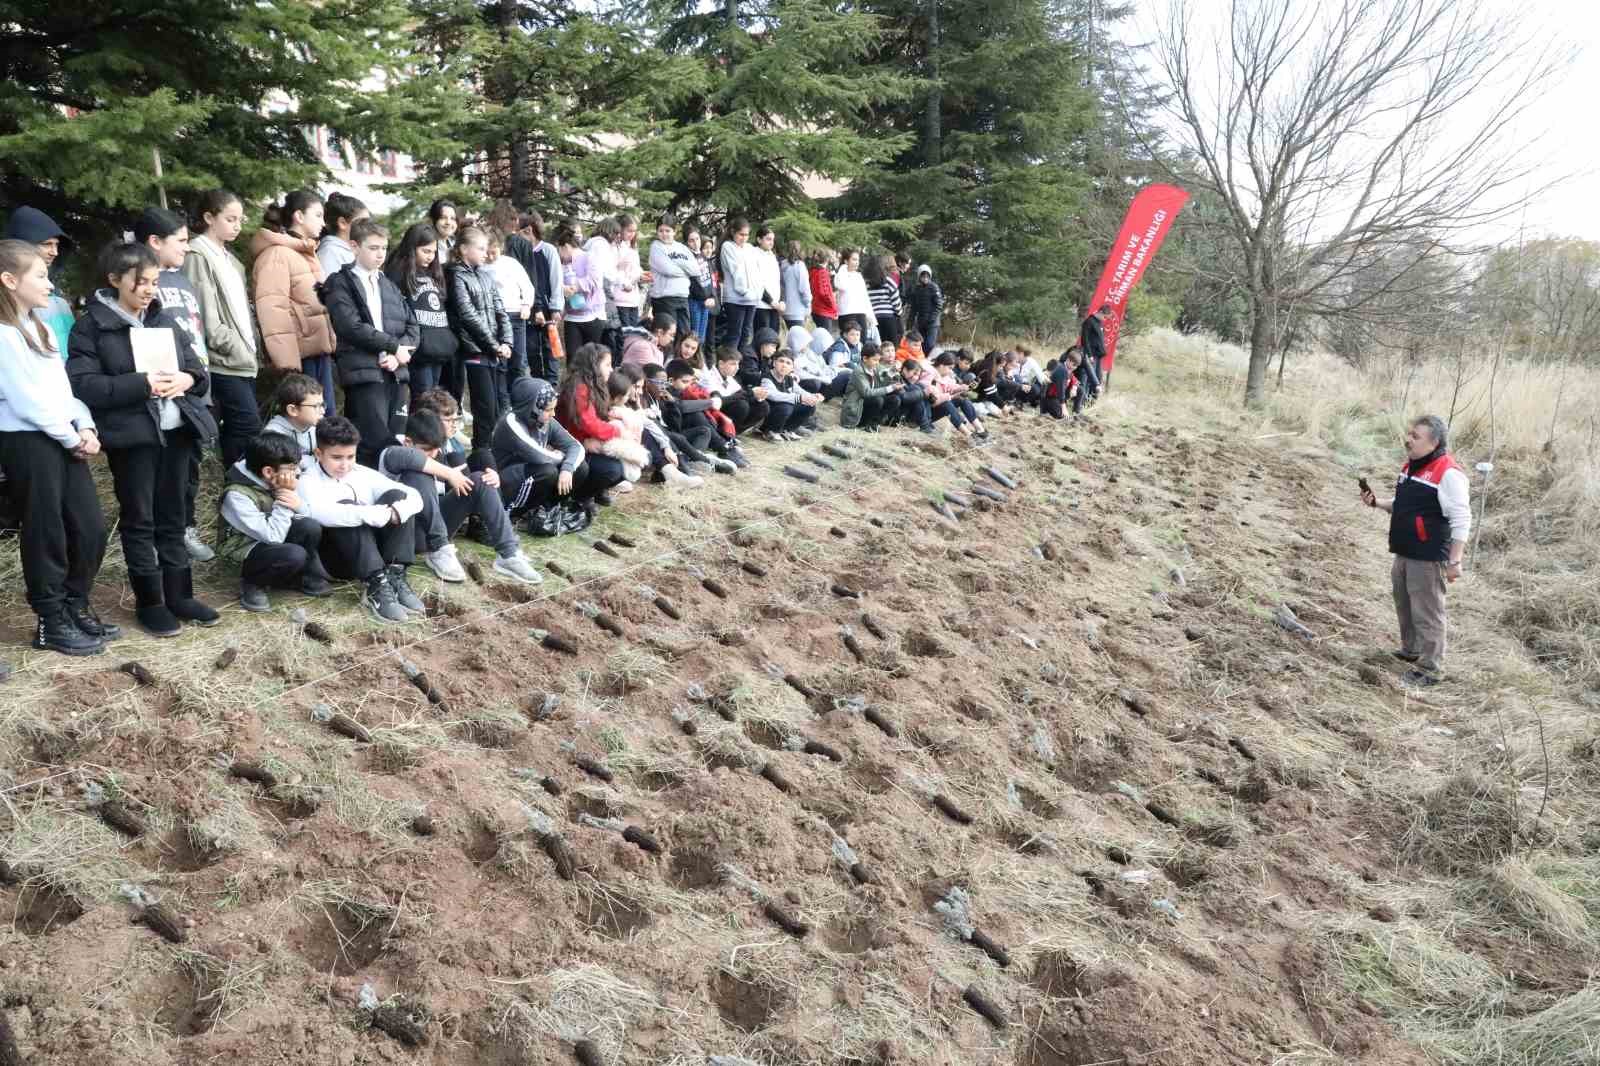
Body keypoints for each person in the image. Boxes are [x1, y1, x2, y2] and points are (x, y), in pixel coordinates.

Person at [69, 241, 220, 637]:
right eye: (141, 282)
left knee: (175, 517)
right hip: (133, 438)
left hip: (177, 431)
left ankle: (180, 595)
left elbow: (196, 367)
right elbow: (84, 384)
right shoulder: (92, 326)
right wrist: (142, 384)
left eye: (154, 281)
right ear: (115, 279)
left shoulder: (163, 318)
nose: (149, 290)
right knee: (141, 519)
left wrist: (188, 379)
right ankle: (150, 602)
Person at [0, 238, 113, 655]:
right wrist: (70, 437)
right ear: (10, 280)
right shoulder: (3, 335)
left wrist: (84, 425)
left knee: (90, 527)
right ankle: (50, 620)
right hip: (29, 441)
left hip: (63, 435)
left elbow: (61, 390)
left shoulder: (41, 327)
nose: (50, 283)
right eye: (41, 276)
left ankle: (74, 604)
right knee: (45, 529)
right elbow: (27, 401)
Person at [1360, 415, 1472, 687]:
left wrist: (1454, 560)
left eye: (1416, 436)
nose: (1408, 439)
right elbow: (1404, 503)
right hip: (1404, 550)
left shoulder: (1448, 473)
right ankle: (1410, 650)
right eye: (1409, 433)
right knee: (1404, 603)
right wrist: (1378, 503)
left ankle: (1431, 668)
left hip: (1429, 555)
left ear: (1434, 443)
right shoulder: (1412, 465)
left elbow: (1462, 519)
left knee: (1428, 612)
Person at [134, 206, 218, 564]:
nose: (187, 248)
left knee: (190, 466)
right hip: (161, 394)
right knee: (161, 472)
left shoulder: (182, 280)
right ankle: (157, 534)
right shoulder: (144, 285)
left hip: (195, 387)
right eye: (180, 241)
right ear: (155, 241)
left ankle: (186, 527)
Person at [378, 407, 541, 584]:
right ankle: (439, 549)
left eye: (436, 449)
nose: (433, 454)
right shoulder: (391, 452)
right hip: (404, 533)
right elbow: (411, 459)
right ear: (408, 442)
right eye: (427, 450)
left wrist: (490, 477)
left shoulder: (438, 454)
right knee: (418, 474)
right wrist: (449, 473)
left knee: (479, 479)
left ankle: (509, 554)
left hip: (433, 526)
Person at [296, 415, 424, 623]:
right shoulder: (308, 480)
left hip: (369, 549)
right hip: (337, 558)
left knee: (397, 497)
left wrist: (396, 511)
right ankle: (376, 586)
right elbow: (321, 513)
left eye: (350, 456)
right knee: (346, 508)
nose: (345, 465)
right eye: (337, 457)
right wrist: (374, 513)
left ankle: (394, 574)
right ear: (319, 453)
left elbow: (415, 497)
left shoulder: (360, 472)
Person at [324, 218, 418, 468]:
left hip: (396, 373)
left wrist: (398, 354)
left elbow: (412, 326)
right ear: (354, 247)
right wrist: (392, 346)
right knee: (371, 442)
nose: (380, 254)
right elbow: (349, 326)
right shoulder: (339, 282)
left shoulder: (388, 284)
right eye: (373, 248)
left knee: (396, 439)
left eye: (384, 248)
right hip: (363, 374)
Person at [184, 190, 262, 471]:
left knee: (239, 428)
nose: (237, 225)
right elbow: (203, 316)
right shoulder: (198, 254)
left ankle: (235, 485)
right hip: (224, 360)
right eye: (230, 219)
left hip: (243, 357)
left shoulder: (232, 261)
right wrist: (233, 346)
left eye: (240, 219)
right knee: (248, 425)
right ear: (208, 217)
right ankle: (238, 485)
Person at [216, 432, 335, 613]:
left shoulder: (272, 480)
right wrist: (284, 497)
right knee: (294, 554)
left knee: (309, 527)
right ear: (268, 471)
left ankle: (295, 576)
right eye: (292, 468)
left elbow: (301, 515)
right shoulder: (236, 495)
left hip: (267, 538)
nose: (297, 472)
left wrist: (294, 502)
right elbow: (273, 536)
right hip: (241, 552)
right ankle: (253, 583)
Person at [253, 190, 339, 414]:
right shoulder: (278, 254)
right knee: (308, 422)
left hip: (318, 351)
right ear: (299, 216)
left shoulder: (306, 251)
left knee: (324, 420)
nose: (323, 222)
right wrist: (288, 366)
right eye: (318, 215)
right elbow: (273, 311)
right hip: (300, 359)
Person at [495, 376, 609, 530]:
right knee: (548, 471)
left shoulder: (546, 421)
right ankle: (516, 512)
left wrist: (567, 467)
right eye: (549, 409)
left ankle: (547, 508)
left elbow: (576, 446)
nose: (553, 414)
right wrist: (562, 457)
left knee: (579, 467)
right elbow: (538, 455)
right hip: (507, 481)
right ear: (533, 408)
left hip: (533, 474)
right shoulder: (511, 422)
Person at [447, 225, 513, 450]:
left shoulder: (485, 276)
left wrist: (506, 341)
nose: (486, 253)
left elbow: (500, 310)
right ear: (464, 249)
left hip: (493, 350)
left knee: (493, 407)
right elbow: (467, 315)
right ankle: (482, 452)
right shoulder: (455, 275)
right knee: (484, 407)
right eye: (481, 248)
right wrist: (494, 345)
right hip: (474, 350)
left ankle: (489, 449)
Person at [385, 222, 457, 403]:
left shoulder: (433, 272)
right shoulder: (399, 272)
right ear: (412, 248)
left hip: (438, 345)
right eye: (425, 251)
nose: (431, 257)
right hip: (418, 348)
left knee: (434, 396)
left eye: (433, 252)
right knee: (423, 399)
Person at [555, 341, 629, 506]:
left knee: (625, 465)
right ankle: (579, 497)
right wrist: (617, 431)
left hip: (584, 443)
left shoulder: (594, 384)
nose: (611, 369)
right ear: (594, 365)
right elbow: (589, 423)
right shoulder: (579, 387)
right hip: (571, 446)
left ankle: (593, 492)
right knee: (613, 470)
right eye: (607, 364)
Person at [3, 207, 76, 350]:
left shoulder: (60, 302)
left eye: (57, 245)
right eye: (47, 244)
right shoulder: (5, 305)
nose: (54, 252)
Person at [510, 212, 564, 384]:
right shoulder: (519, 251)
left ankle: (552, 382)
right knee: (532, 348)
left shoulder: (547, 250)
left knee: (551, 348)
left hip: (548, 307)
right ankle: (538, 383)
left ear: (528, 230)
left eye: (518, 231)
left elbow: (556, 280)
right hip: (529, 308)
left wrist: (556, 307)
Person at [485, 227, 535, 387]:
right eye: (487, 253)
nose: (491, 257)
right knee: (500, 361)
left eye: (494, 252)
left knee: (518, 359)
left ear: (501, 248)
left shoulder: (510, 264)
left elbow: (527, 286)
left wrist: (527, 304)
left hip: (515, 314)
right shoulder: (480, 267)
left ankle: (518, 394)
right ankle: (502, 398)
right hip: (494, 317)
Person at [698, 346, 769, 438]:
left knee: (762, 406)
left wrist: (757, 395)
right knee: (741, 405)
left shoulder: (729, 378)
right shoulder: (709, 377)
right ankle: (722, 434)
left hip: (725, 411)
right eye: (733, 364)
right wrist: (750, 393)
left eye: (738, 364)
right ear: (721, 364)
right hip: (711, 413)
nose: (737, 368)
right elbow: (719, 402)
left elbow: (741, 393)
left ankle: (734, 432)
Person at [557, 223, 605, 360]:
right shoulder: (561, 265)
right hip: (572, 316)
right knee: (573, 358)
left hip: (592, 315)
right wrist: (562, 289)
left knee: (592, 358)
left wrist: (575, 286)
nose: (559, 255)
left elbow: (596, 281)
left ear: (565, 247)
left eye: (560, 250)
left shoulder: (589, 257)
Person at [262, 372, 325, 471]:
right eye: (315, 406)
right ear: (293, 410)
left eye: (322, 405)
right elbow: (284, 469)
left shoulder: (316, 426)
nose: (323, 411)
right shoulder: (273, 435)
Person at [648, 215, 695, 341]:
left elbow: (695, 269)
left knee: (684, 335)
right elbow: (668, 270)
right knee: (667, 337)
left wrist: (677, 265)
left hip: (683, 297)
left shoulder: (682, 248)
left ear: (674, 231)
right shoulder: (656, 246)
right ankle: (665, 360)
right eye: (661, 231)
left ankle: (680, 361)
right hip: (664, 298)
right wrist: (685, 270)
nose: (664, 234)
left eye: (668, 231)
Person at [757, 351, 820, 441]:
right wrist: (798, 398)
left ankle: (787, 430)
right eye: (781, 361)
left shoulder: (788, 379)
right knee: (786, 407)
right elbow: (773, 395)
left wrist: (813, 396)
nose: (784, 365)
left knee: (809, 405)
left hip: (782, 410)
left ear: (792, 367)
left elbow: (800, 391)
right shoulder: (766, 376)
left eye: (788, 363)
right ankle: (770, 431)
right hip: (767, 412)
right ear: (774, 363)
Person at [839, 342, 903, 433]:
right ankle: (866, 423)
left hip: (866, 404)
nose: (877, 363)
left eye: (878, 360)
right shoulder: (859, 371)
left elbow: (882, 381)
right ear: (865, 358)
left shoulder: (874, 367)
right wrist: (890, 388)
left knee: (895, 399)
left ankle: (874, 424)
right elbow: (867, 392)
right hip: (855, 411)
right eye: (875, 360)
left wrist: (893, 371)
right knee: (878, 400)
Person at [718, 217, 760, 351]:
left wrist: (757, 292)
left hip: (752, 298)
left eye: (746, 235)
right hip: (735, 298)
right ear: (733, 232)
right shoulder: (728, 247)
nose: (744, 238)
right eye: (741, 234)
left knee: (746, 334)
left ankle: (740, 365)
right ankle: (728, 365)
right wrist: (744, 291)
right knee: (734, 333)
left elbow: (756, 272)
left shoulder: (750, 248)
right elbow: (737, 271)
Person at [315, 192, 369, 280]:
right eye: (363, 222)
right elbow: (331, 291)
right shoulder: (330, 253)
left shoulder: (350, 251)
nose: (368, 227)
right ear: (342, 223)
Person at [791, 325, 849, 400]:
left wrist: (837, 371)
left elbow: (820, 369)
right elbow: (802, 374)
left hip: (823, 380)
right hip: (818, 384)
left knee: (848, 372)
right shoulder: (793, 357)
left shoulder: (808, 354)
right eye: (805, 343)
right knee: (847, 375)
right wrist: (824, 378)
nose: (807, 346)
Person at [885, 358, 936, 434]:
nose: (916, 377)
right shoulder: (896, 377)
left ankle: (927, 423)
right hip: (892, 416)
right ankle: (925, 426)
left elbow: (931, 400)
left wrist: (930, 396)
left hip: (904, 414)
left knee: (920, 387)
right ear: (905, 370)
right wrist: (923, 393)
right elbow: (904, 397)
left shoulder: (910, 383)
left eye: (918, 375)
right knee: (917, 391)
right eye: (914, 373)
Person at [685, 225, 717, 345]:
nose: (695, 243)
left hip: (707, 301)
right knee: (694, 335)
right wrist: (705, 298)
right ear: (687, 242)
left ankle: (699, 360)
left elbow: (711, 279)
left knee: (702, 337)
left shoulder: (703, 256)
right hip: (695, 300)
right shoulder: (688, 257)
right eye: (691, 240)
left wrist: (713, 297)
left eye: (697, 239)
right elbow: (693, 282)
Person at [612, 214, 645, 329]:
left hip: (633, 298)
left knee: (633, 333)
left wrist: (642, 275)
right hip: (620, 298)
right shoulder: (614, 246)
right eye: (629, 231)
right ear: (620, 229)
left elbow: (635, 267)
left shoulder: (632, 247)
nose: (632, 234)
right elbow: (612, 270)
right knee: (624, 334)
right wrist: (624, 283)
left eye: (634, 231)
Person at [752, 226, 785, 336]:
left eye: (772, 239)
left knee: (774, 339)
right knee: (763, 339)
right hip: (762, 305)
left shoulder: (772, 256)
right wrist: (771, 301)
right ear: (759, 239)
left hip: (775, 306)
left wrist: (782, 301)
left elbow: (779, 280)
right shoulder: (753, 255)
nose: (771, 242)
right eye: (768, 239)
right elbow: (756, 282)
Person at [866, 254, 904, 348]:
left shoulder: (867, 284)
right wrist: (899, 312)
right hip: (889, 319)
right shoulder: (888, 281)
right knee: (892, 347)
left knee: (879, 347)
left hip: (875, 319)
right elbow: (896, 301)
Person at [833, 249, 871, 339]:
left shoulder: (858, 276)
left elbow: (865, 297)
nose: (857, 262)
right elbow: (841, 285)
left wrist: (869, 316)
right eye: (854, 259)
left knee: (862, 340)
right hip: (846, 313)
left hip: (860, 313)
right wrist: (843, 268)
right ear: (846, 261)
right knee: (848, 341)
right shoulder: (841, 274)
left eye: (858, 260)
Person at [908, 264, 944, 354]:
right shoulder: (916, 289)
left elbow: (939, 305)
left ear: (930, 276)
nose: (925, 278)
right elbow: (913, 308)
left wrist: (931, 319)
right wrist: (909, 324)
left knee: (929, 345)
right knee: (921, 345)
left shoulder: (934, 287)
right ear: (919, 277)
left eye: (927, 276)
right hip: (921, 322)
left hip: (932, 323)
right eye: (923, 276)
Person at [1079, 302, 1109, 398]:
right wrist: (1089, 355)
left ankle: (1091, 400)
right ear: (1100, 312)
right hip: (1091, 355)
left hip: (1098, 355)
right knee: (1088, 378)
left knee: (1097, 377)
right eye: (1105, 317)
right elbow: (1085, 340)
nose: (1105, 319)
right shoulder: (1089, 322)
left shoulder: (1099, 323)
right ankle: (1083, 399)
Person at [781, 241, 811, 332]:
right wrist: (808, 304)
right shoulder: (799, 266)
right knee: (799, 342)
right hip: (798, 310)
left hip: (785, 309)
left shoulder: (782, 265)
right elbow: (804, 288)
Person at [808, 248, 837, 335]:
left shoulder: (812, 271)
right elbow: (824, 292)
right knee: (826, 341)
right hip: (824, 310)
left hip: (816, 308)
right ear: (827, 259)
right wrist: (833, 305)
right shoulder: (822, 272)